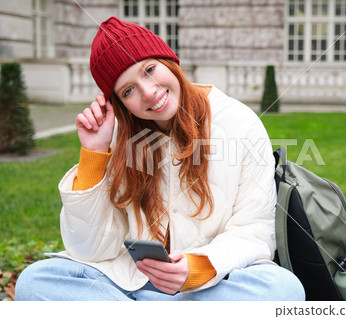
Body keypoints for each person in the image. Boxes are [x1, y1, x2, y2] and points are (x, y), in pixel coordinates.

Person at [15, 16, 305, 301]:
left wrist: (198, 267)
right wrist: (94, 154)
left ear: (169, 61)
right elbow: (91, 251)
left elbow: (254, 231)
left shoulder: (241, 123)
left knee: (282, 290)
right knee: (36, 280)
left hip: (211, 285)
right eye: (128, 91)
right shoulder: (118, 136)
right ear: (119, 103)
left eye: (150, 70)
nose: (149, 92)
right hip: (130, 283)